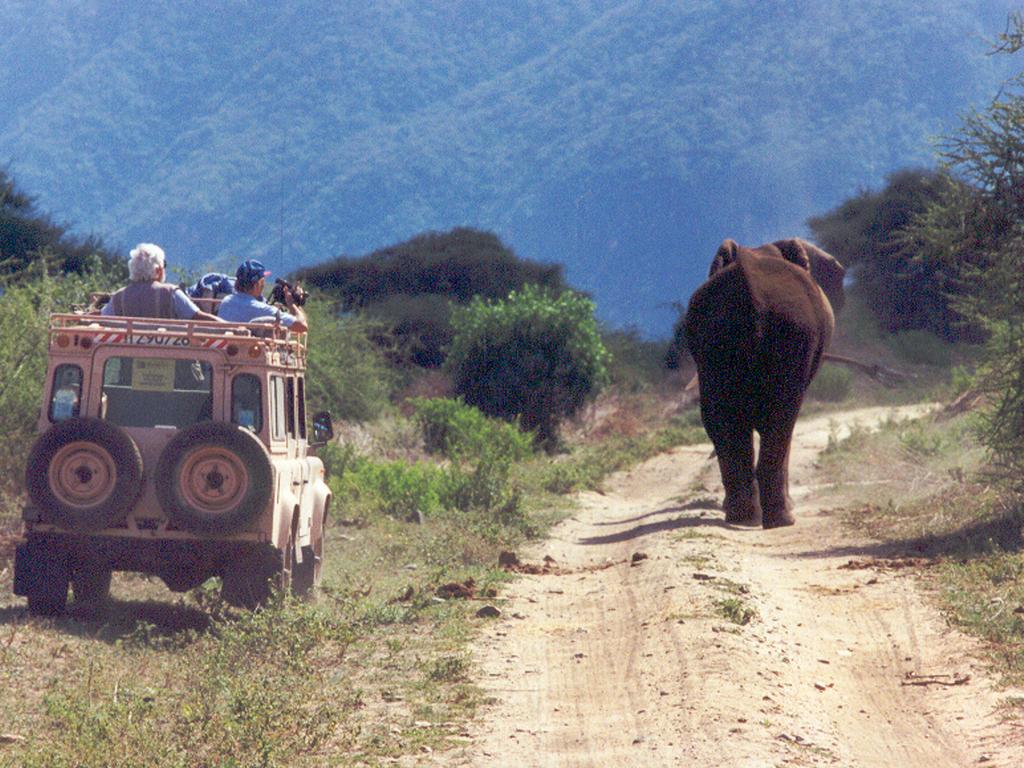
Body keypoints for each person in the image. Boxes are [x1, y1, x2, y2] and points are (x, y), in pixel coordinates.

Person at [102, 243, 222, 322]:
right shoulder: (171, 293)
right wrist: (231, 327)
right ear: (158, 270)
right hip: (172, 355)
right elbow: (197, 317)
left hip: (126, 357)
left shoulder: (119, 297)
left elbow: (101, 316)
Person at [218, 259, 309, 333]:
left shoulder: (225, 301)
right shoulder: (262, 309)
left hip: (224, 351)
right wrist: (291, 303)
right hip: (251, 353)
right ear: (257, 284)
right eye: (263, 281)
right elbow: (302, 326)